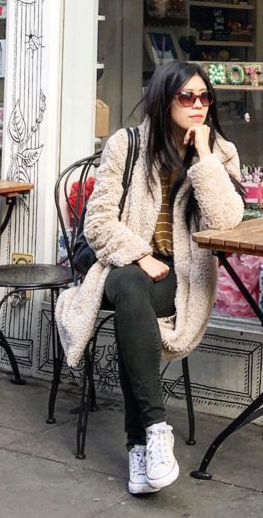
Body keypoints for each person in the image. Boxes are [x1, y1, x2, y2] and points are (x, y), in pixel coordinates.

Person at [55, 62, 244, 496]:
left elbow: (225, 221)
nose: (198, 105)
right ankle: (155, 432)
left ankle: (140, 447)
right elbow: (98, 223)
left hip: (181, 279)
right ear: (164, 99)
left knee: (130, 302)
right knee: (128, 287)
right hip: (124, 267)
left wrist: (205, 160)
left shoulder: (220, 151)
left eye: (204, 97)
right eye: (187, 97)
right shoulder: (127, 145)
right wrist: (139, 255)